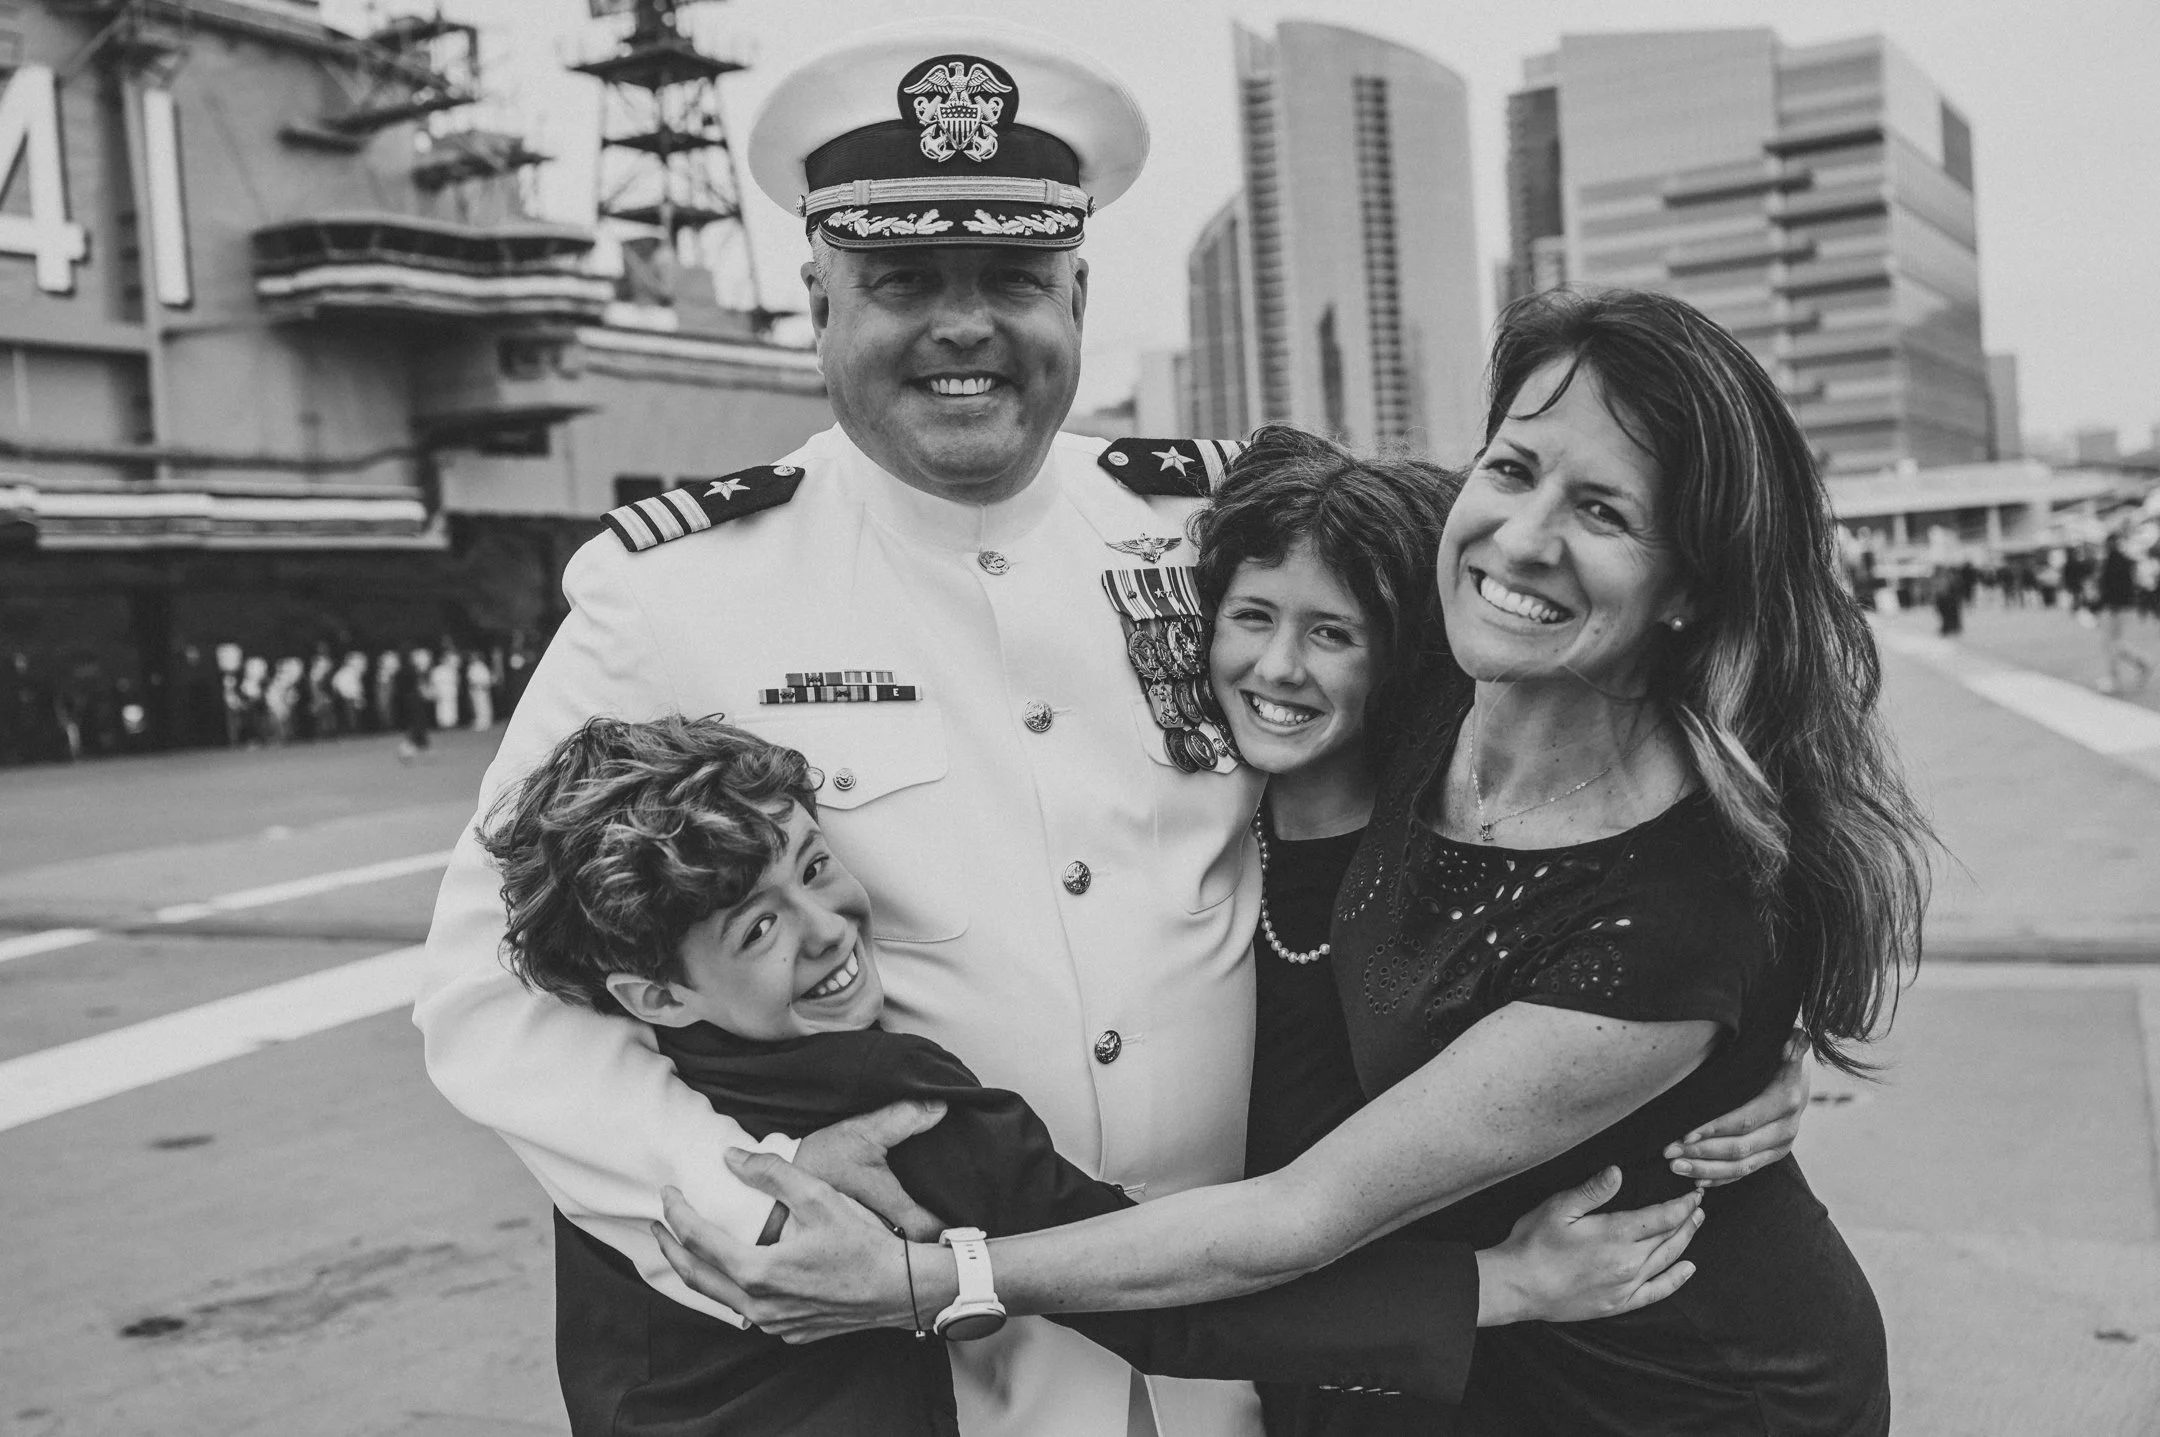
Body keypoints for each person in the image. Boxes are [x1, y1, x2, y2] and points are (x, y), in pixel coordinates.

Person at [413, 23, 1805, 1437]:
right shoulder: (676, 588)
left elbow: (1556, 694)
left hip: (1235, 1336)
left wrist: (1743, 1030)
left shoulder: (1214, 532)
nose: (966, 326)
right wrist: (751, 1206)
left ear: (1077, 289)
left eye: (1015, 279)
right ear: (816, 295)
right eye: (901, 281)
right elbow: (491, 994)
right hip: (898, 1347)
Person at [660, 289, 1927, 1436]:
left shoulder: (1672, 901)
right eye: (1515, 467)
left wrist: (926, 1286)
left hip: (1687, 1380)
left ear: (1689, 589)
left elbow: (1301, 1216)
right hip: (1478, 1350)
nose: (1524, 537)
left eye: (1602, 510)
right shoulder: (1438, 692)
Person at [485, 712, 1506, 1435]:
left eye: (811, 862)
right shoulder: (897, 1110)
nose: (825, 925)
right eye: (757, 928)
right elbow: (1163, 1299)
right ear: (655, 995)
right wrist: (1497, 1287)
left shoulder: (622, 1104)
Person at [2095, 534, 2151, 693]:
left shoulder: (2112, 562)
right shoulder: (2124, 561)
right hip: (2120, 607)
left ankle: (2116, 679)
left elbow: (2112, 587)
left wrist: (2104, 605)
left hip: (2114, 608)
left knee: (2110, 643)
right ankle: (2141, 663)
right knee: (2112, 643)